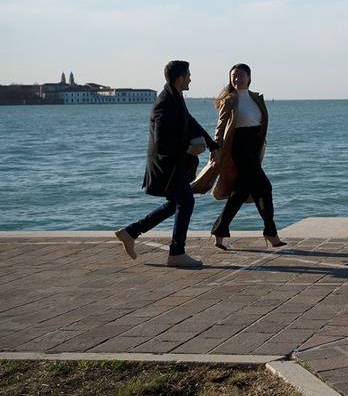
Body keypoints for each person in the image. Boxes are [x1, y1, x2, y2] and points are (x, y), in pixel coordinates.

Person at [114, 60, 218, 267]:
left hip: (171, 163)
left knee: (176, 203)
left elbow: (190, 122)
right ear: (180, 78)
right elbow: (161, 141)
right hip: (165, 164)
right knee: (186, 202)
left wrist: (212, 144)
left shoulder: (174, 96)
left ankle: (131, 232)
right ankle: (176, 253)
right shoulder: (165, 103)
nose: (191, 78)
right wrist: (188, 149)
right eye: (188, 75)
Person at [192, 63, 285, 249]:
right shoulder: (230, 100)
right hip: (238, 147)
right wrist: (215, 147)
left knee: (240, 193)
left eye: (240, 76)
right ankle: (271, 232)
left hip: (255, 146)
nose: (236, 79)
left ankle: (219, 232)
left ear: (249, 78)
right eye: (233, 76)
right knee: (265, 187)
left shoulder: (257, 98)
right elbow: (220, 127)